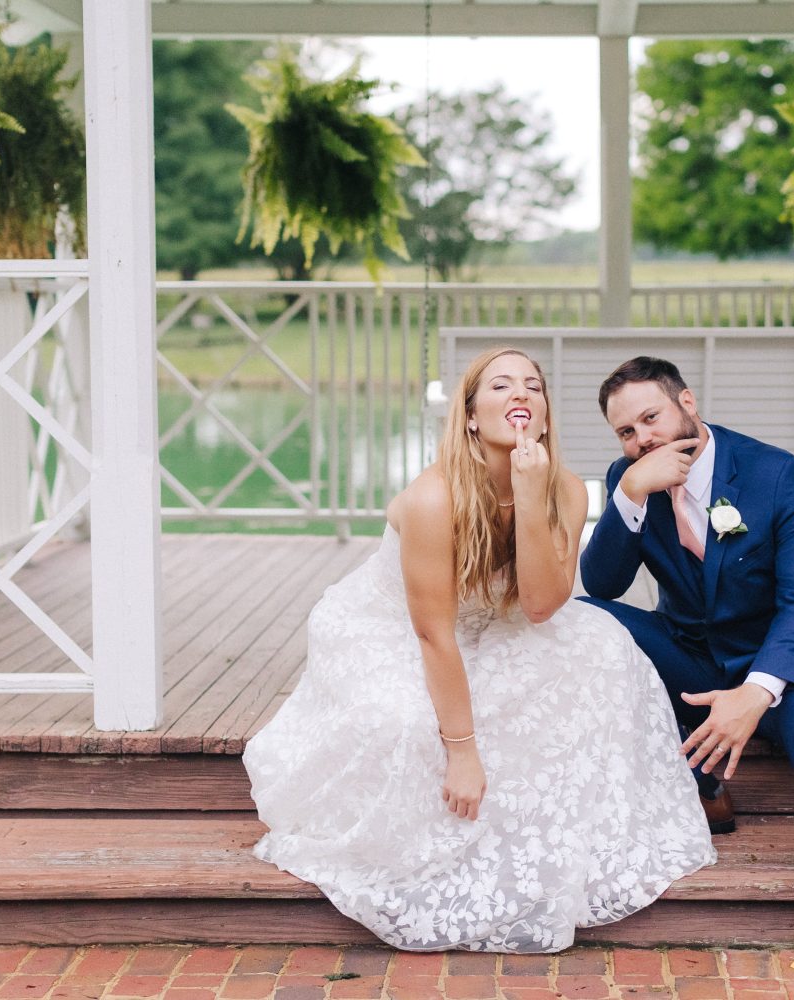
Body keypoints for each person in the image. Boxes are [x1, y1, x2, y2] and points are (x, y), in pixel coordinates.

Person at [242, 347, 716, 954]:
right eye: (500, 386)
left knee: (602, 647)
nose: (521, 394)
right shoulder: (433, 498)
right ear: (470, 415)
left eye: (533, 387)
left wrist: (529, 489)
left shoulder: (565, 490)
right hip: (397, 628)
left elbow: (544, 605)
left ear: (543, 415)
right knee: (410, 723)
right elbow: (433, 633)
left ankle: (558, 834)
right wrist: (461, 752)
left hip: (500, 622)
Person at [578, 356, 794, 989]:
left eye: (651, 417)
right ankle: (706, 784)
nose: (642, 438)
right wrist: (628, 494)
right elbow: (603, 582)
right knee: (588, 618)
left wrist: (756, 691)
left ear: (687, 404)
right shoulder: (630, 478)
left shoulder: (777, 474)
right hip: (696, 651)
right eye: (626, 432)